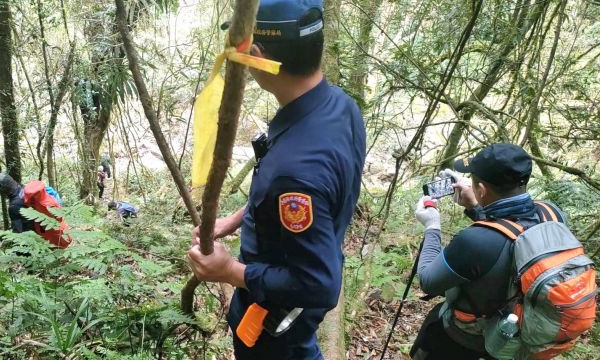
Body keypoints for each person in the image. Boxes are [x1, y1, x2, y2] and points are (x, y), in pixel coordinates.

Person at [186, 1, 366, 358]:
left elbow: (318, 287)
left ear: (255, 54)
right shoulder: (339, 106)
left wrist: (230, 271)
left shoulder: (294, 172)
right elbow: (301, 195)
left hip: (279, 319)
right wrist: (236, 219)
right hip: (296, 271)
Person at [410, 144, 567, 359]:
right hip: (514, 337)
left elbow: (428, 281)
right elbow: (514, 239)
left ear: (481, 189)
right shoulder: (551, 213)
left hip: (464, 341)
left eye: (472, 182)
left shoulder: (474, 241)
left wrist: (432, 226)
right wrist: (477, 206)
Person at [0, 173, 71, 248]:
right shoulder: (26, 190)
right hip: (59, 231)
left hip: (42, 240)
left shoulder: (14, 206)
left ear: (3, 189)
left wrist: (17, 253)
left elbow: (18, 234)